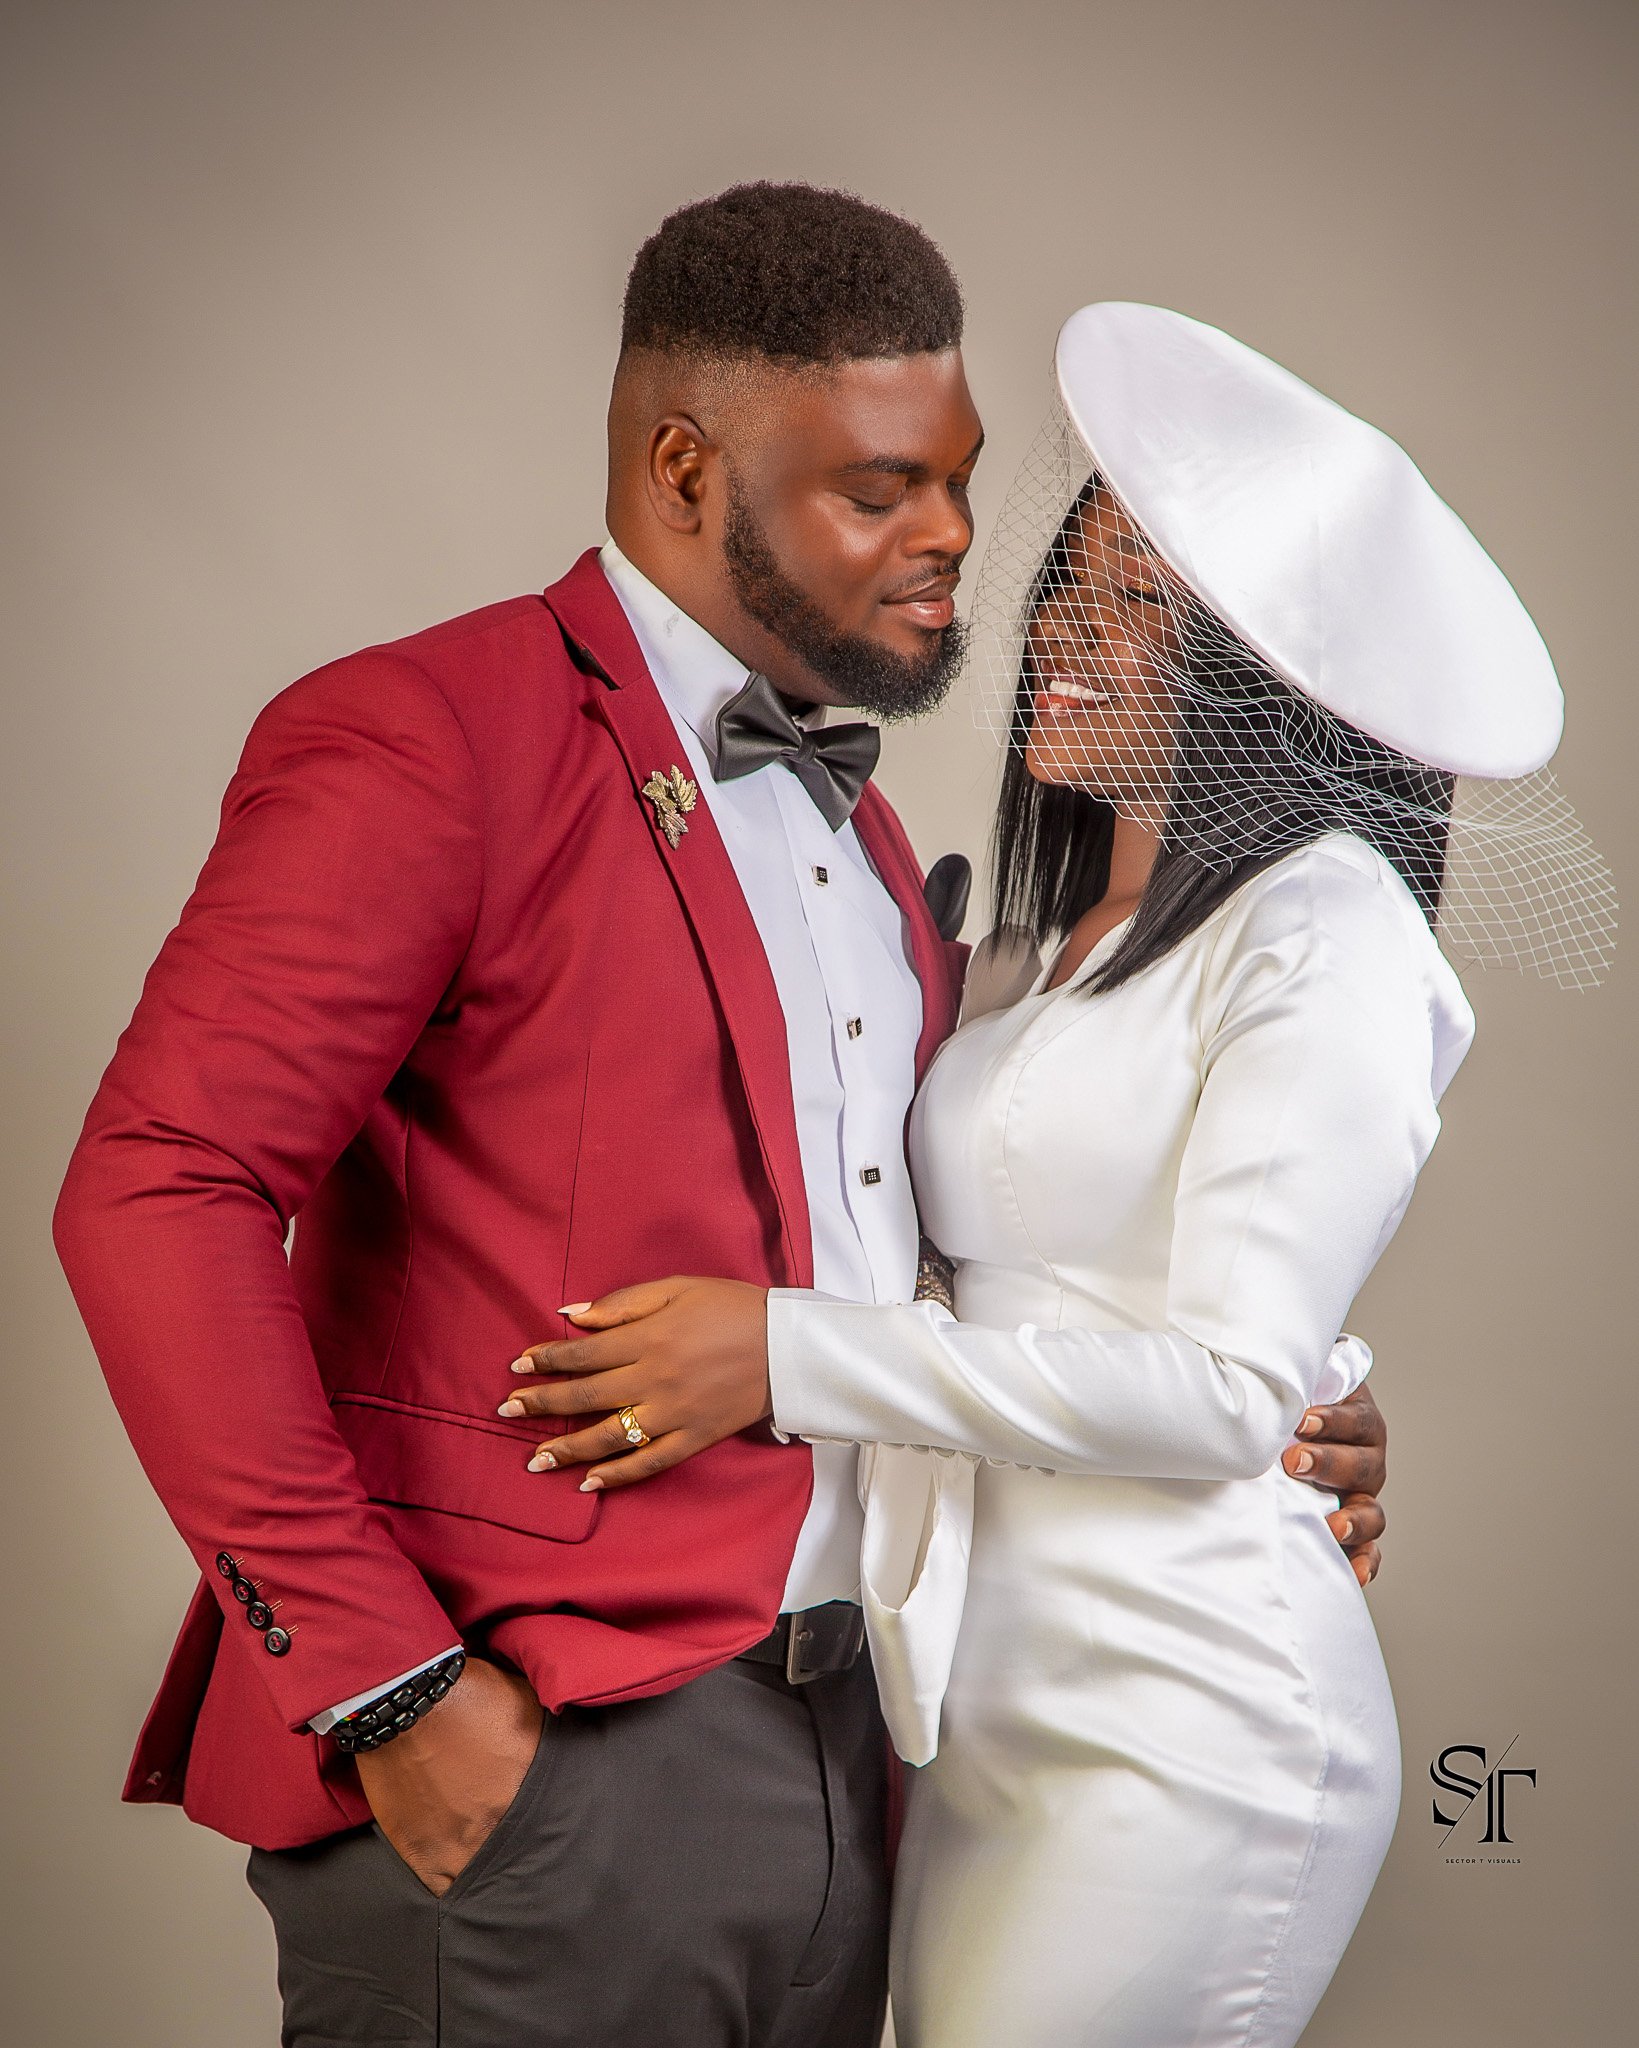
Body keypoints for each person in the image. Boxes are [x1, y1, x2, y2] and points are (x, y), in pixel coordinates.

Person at [54, 198, 1391, 2048]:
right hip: (542, 1768)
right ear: (685, 472)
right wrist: (384, 1694)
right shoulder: (428, 740)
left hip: (868, 1753)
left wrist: (1292, 1379)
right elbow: (157, 1190)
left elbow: (951, 1247)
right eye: (879, 491)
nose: (952, 547)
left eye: (959, 483)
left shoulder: (856, 838)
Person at [493, 302, 1612, 2044]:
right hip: (977, 1705)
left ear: (1275, 684)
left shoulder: (1329, 931)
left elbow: (1226, 1387)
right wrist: (1332, 1374)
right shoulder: (1049, 953)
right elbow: (1048, 1259)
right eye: (1072, 588)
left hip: (1179, 1721)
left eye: (1143, 614)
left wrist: (775, 1354)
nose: (1064, 639)